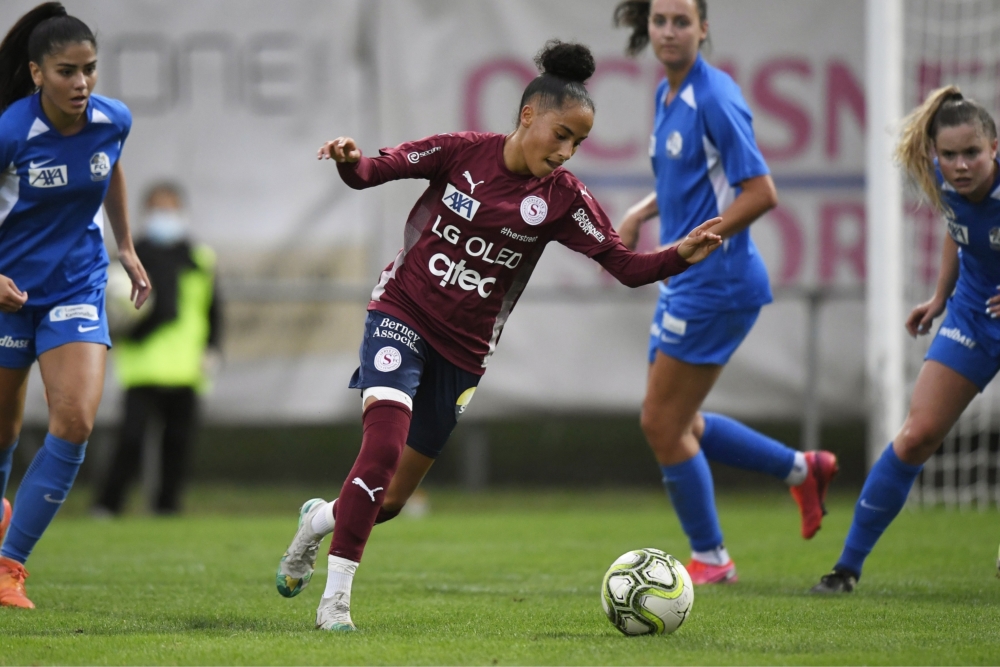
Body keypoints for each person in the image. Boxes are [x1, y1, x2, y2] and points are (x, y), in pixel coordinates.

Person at [273, 40, 724, 632]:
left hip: (463, 355)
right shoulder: (460, 153)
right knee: (380, 450)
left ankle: (318, 521)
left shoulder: (563, 199)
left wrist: (678, 256)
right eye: (561, 134)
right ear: (528, 115)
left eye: (578, 143)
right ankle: (334, 607)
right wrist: (346, 159)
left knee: (391, 501)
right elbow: (373, 172)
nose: (566, 152)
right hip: (401, 313)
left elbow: (623, 265)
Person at [612, 0, 839, 585]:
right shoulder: (669, 94)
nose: (668, 31)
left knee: (662, 424)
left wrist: (693, 244)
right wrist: (641, 211)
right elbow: (688, 181)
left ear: (703, 29)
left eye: (681, 21)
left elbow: (760, 192)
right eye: (660, 20)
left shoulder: (714, 97)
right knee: (677, 421)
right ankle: (801, 469)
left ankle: (712, 559)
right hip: (686, 279)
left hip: (717, 283)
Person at [811, 86, 1000, 593]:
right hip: (975, 315)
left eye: (972, 154)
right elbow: (957, 229)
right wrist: (941, 297)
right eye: (950, 154)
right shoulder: (943, 179)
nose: (960, 165)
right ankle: (846, 569)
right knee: (916, 435)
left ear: (995, 148)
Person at [0, 2, 149, 609]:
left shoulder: (113, 119)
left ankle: (9, 567)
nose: (81, 83)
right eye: (66, 71)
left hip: (76, 287)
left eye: (89, 69)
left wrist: (128, 246)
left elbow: (109, 169)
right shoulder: (11, 130)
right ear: (37, 74)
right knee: (3, 431)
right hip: (10, 295)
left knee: (76, 421)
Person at [91, 182, 222, 517]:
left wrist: (212, 348)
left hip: (186, 367)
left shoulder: (199, 258)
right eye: (158, 209)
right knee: (131, 440)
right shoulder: (132, 259)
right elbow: (113, 309)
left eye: (171, 208)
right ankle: (107, 505)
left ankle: (167, 508)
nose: (165, 216)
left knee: (177, 444)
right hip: (143, 365)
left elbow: (213, 308)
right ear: (145, 213)